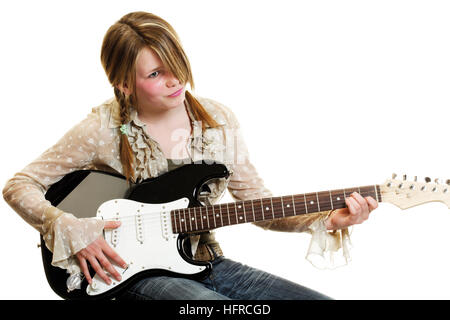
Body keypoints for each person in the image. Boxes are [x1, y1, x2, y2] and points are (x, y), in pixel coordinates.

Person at [2, 11, 378, 300]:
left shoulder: (217, 122)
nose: (174, 80)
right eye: (155, 74)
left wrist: (328, 219)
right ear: (123, 84)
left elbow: (259, 205)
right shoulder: (102, 128)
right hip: (129, 272)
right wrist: (68, 226)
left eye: (175, 62)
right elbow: (20, 185)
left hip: (201, 262)